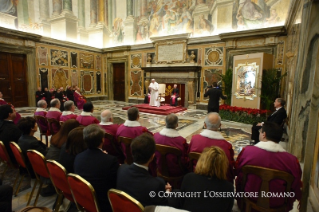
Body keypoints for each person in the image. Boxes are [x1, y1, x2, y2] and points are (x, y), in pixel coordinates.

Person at [236, 122, 302, 211]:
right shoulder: (292, 161)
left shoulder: (247, 152)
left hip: (249, 202)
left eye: (260, 131)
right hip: (277, 205)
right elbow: (296, 186)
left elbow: (237, 172)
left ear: (264, 134)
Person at [117, 133, 171, 207]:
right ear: (152, 157)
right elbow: (164, 206)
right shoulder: (157, 184)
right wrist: (167, 192)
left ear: (132, 152)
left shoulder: (121, 169)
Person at [74, 125, 119, 212]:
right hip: (104, 204)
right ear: (103, 140)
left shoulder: (78, 156)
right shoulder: (110, 160)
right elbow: (116, 184)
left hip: (82, 198)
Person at [179, 146, 234, 212]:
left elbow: (181, 203)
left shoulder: (188, 178)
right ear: (223, 166)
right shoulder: (229, 187)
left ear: (202, 161)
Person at [188, 112, 234, 182]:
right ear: (220, 125)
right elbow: (229, 169)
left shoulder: (194, 139)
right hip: (218, 182)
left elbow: (188, 159)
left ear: (205, 124)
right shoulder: (226, 146)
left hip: (195, 177)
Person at [154, 114, 188, 181]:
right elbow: (185, 159)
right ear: (177, 125)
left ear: (165, 123)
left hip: (160, 167)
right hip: (176, 172)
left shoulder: (156, 136)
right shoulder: (181, 141)